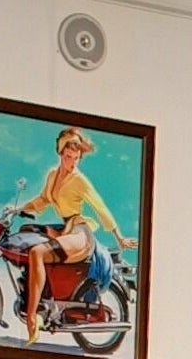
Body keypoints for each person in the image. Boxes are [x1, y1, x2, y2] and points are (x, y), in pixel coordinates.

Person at [15, 127, 135, 345]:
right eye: (69, 157)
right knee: (26, 234)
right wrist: (18, 209)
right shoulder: (53, 175)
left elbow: (100, 208)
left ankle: (32, 319)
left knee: (37, 252)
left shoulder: (79, 180)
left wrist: (119, 237)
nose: (72, 163)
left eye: (77, 159)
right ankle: (44, 300)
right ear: (61, 154)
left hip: (80, 232)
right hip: (64, 229)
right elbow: (43, 200)